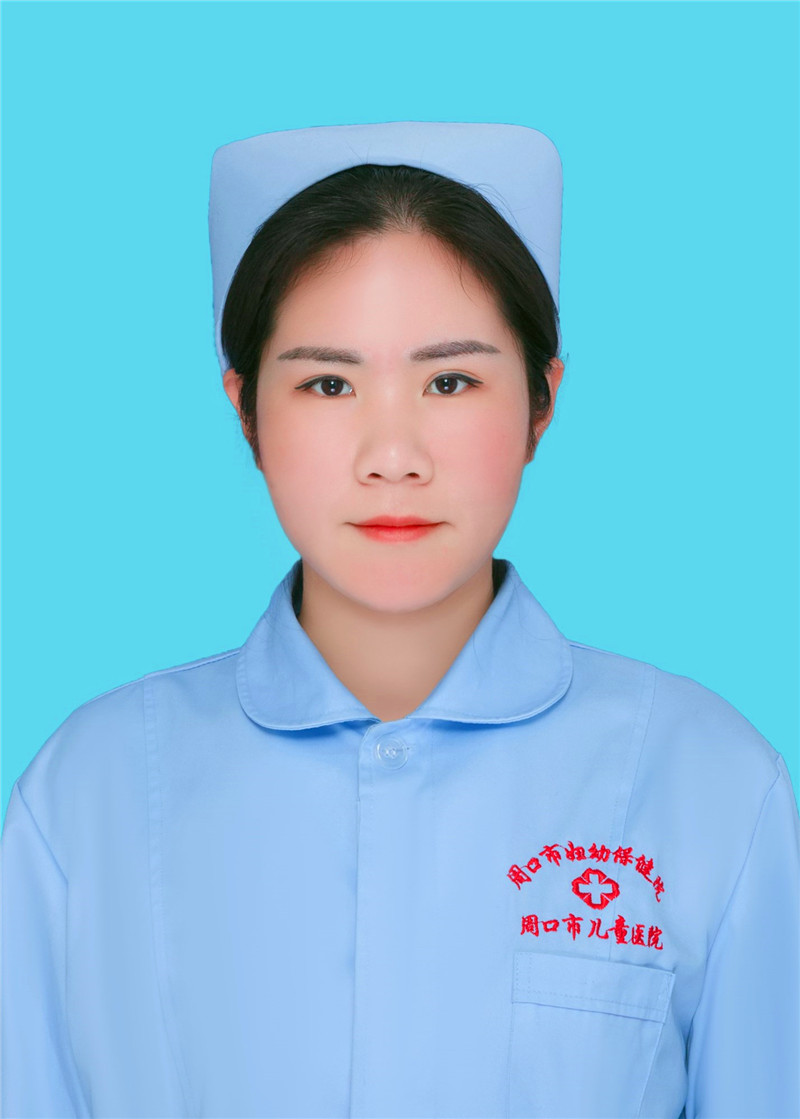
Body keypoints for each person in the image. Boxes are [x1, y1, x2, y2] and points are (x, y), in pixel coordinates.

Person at [1, 121, 798, 1119]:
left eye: (450, 380)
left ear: (541, 402)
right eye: (328, 383)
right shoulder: (87, 794)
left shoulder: (706, 780)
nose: (391, 455)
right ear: (246, 410)